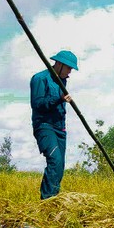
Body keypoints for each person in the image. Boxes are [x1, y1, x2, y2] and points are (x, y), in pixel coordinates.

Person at [30, 50, 77, 200]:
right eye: (69, 68)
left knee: (60, 166)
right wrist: (59, 98)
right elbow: (37, 104)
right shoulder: (39, 78)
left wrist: (61, 99)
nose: (70, 72)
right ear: (59, 64)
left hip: (60, 128)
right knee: (55, 160)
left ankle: (54, 200)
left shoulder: (63, 80)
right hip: (44, 126)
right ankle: (47, 202)